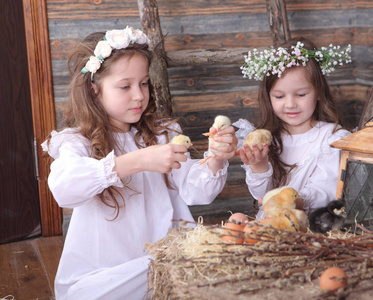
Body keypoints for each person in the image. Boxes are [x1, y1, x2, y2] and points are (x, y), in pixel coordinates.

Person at [42, 26, 238, 299]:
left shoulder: (164, 132)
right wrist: (138, 160)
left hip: (166, 256)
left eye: (144, 83)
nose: (138, 95)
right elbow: (64, 190)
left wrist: (216, 158)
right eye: (125, 86)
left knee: (180, 268)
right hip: (105, 274)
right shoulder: (78, 141)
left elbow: (197, 193)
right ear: (95, 90)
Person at [236, 38, 352, 219]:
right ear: (269, 97)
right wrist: (259, 166)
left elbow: (326, 190)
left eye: (300, 94)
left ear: (319, 92)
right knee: (237, 218)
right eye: (279, 96)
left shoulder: (331, 138)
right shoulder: (269, 139)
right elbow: (260, 194)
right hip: (270, 225)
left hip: (312, 225)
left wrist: (293, 202)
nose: (290, 104)